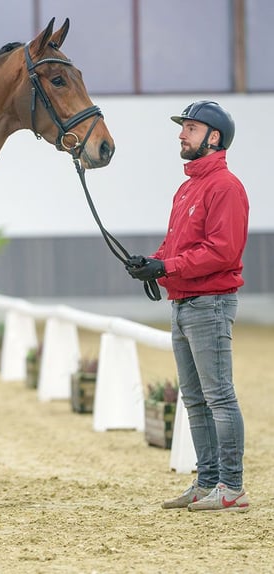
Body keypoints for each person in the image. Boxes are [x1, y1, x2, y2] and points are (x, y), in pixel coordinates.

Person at [126, 101, 250, 512]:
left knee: (219, 397)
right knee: (195, 399)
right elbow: (176, 245)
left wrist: (169, 266)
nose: (182, 134)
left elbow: (222, 251)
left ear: (213, 137)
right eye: (184, 128)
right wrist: (153, 266)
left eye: (191, 128)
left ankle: (231, 486)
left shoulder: (226, 187)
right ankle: (208, 480)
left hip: (210, 304)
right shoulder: (188, 188)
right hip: (184, 303)